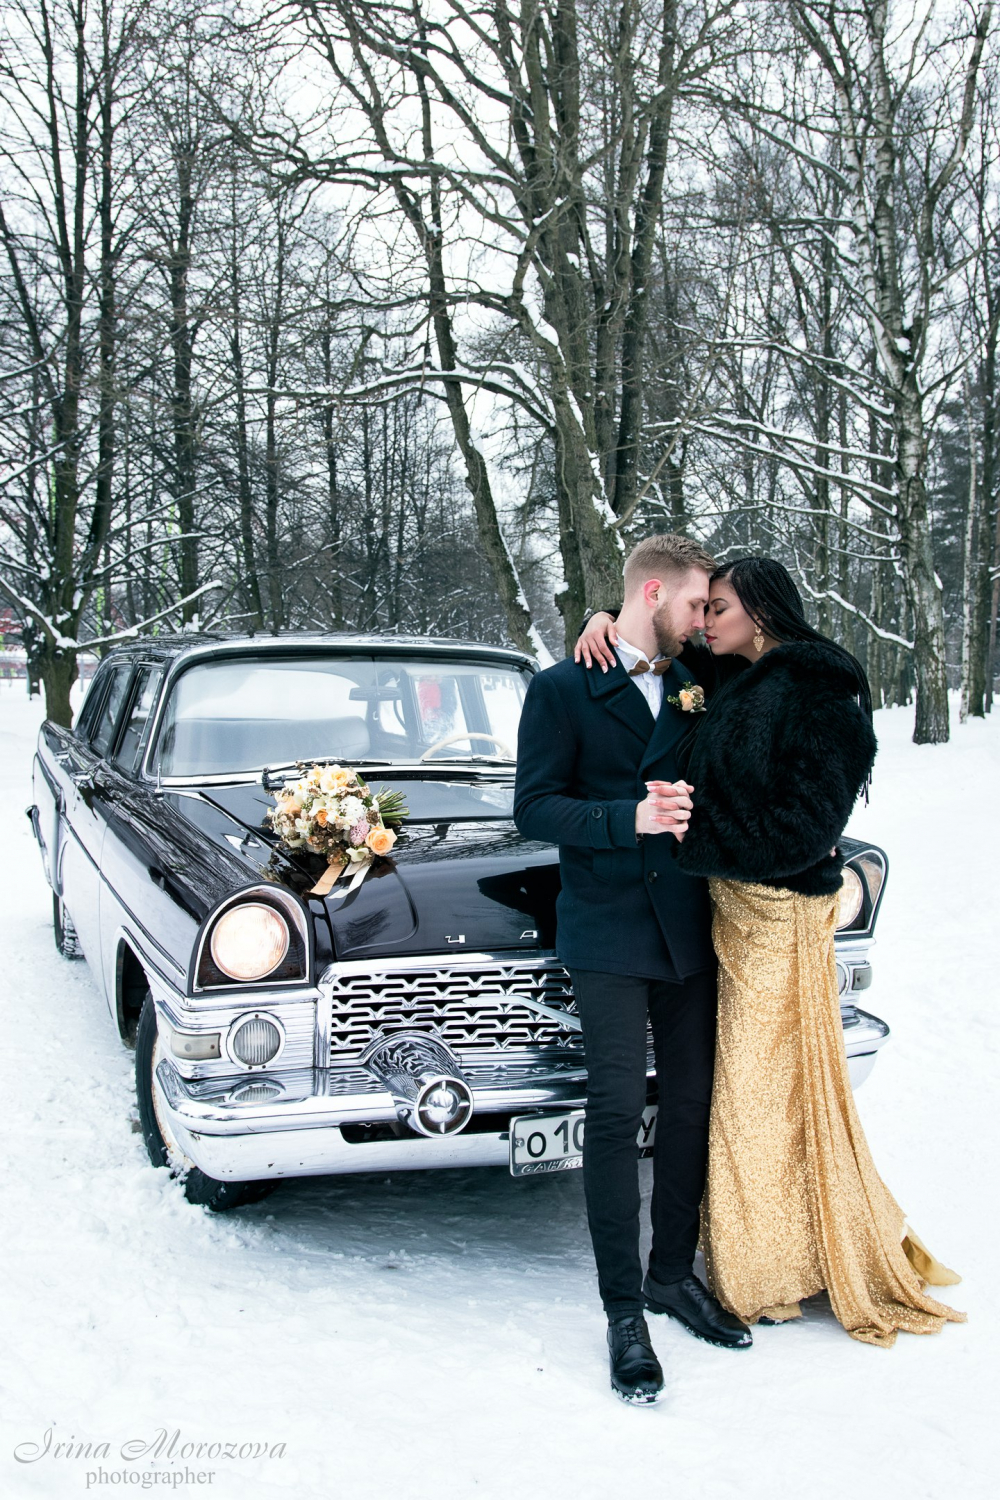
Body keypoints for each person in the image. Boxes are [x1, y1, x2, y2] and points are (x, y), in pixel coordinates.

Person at [577, 555, 964, 1347]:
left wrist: (691, 836)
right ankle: (761, 1251)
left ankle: (777, 1267)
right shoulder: (725, 676)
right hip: (722, 915)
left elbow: (804, 832)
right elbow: (652, 611)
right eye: (703, 607)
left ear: (757, 611)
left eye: (717, 608)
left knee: (762, 1095)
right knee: (740, 1094)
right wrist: (599, 620)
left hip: (778, 921)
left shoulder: (824, 698)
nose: (704, 621)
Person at [513, 534, 753, 1408]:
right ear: (654, 592)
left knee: (689, 1106)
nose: (704, 619)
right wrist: (630, 819)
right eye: (695, 604)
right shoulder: (561, 687)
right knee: (615, 1116)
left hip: (690, 927)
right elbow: (534, 806)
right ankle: (623, 1311)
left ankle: (670, 1275)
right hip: (608, 930)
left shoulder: (701, 681)